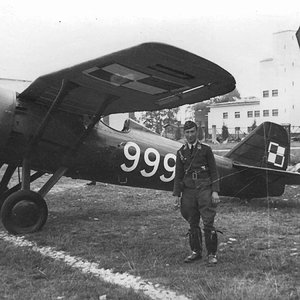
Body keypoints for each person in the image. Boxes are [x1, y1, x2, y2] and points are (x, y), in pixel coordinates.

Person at [173, 120, 220, 264]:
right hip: (188, 190)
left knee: (208, 221)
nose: (190, 135)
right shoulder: (181, 152)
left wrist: (215, 191)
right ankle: (196, 251)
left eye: (192, 132)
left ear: (197, 132)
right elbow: (178, 174)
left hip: (204, 188)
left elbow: (214, 171)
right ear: (184, 133)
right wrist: (177, 194)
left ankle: (211, 254)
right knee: (192, 221)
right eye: (187, 132)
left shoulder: (206, 150)